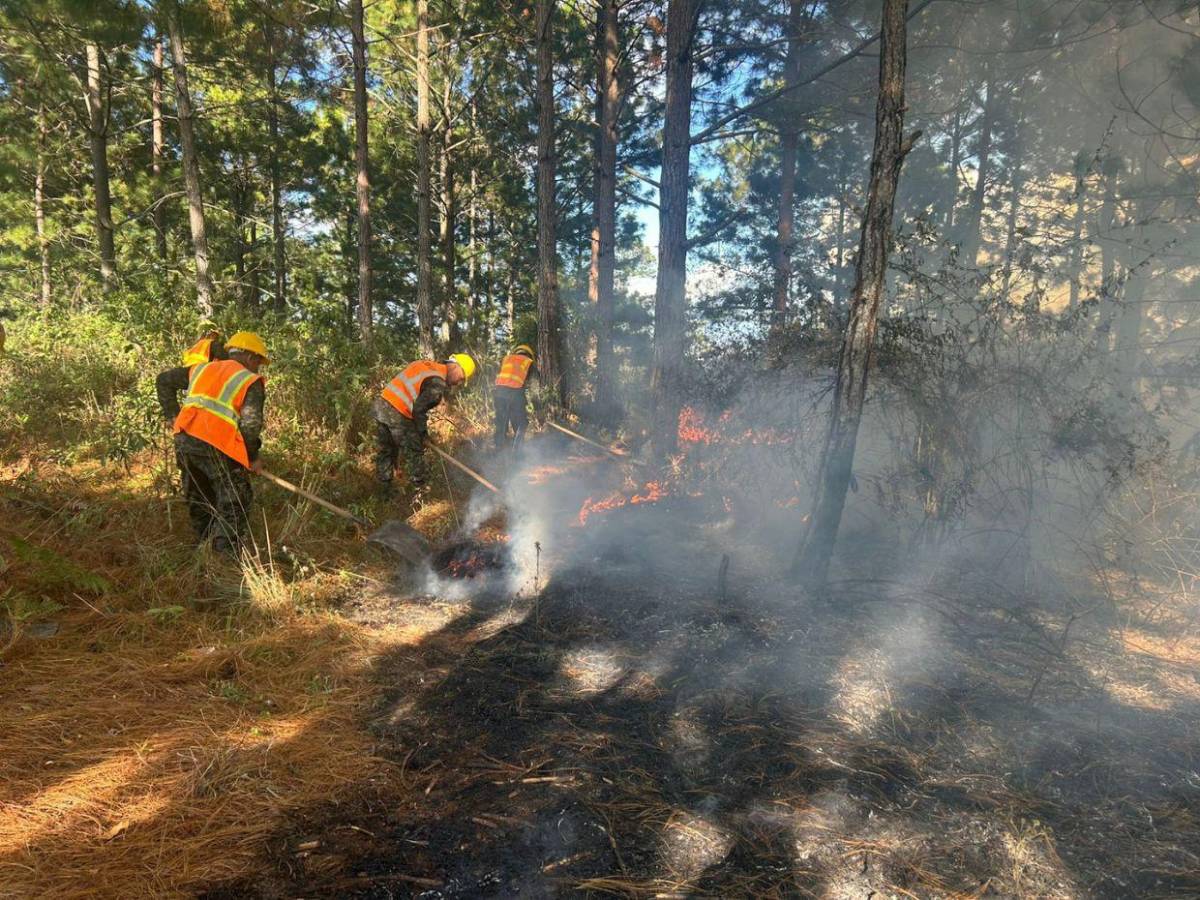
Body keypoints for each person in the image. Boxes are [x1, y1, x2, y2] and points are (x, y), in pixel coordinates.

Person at [156, 331, 269, 554]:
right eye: (258, 360)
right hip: (217, 446)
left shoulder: (201, 369)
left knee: (199, 495)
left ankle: (204, 546)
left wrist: (172, 416)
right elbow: (250, 426)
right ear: (248, 355)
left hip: (185, 441)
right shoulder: (250, 381)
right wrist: (252, 458)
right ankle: (223, 558)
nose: (258, 366)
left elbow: (163, 381)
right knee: (236, 500)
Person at [374, 353, 476, 497]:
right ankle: (420, 492)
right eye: (461, 378)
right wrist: (423, 435)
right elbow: (419, 409)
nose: (458, 383)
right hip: (397, 411)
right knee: (415, 450)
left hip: (381, 404)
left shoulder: (428, 366)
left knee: (386, 449)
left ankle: (384, 492)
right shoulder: (437, 382)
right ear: (455, 367)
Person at [493, 344, 537, 452]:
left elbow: (500, 378)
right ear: (530, 355)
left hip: (498, 395)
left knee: (501, 425)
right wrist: (538, 409)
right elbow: (534, 390)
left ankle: (498, 456)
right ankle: (518, 454)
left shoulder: (506, 359)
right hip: (515, 394)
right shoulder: (529, 362)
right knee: (521, 424)